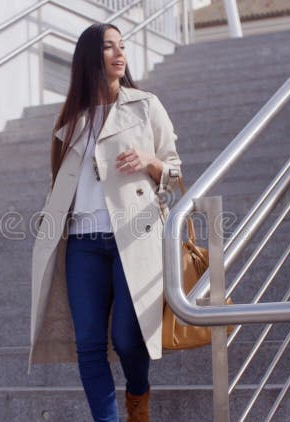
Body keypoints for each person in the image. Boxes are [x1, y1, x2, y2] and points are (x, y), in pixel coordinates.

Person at [29, 22, 182, 422]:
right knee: (90, 345)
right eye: (108, 48)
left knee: (129, 338)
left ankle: (138, 396)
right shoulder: (70, 123)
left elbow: (177, 173)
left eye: (122, 47)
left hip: (132, 235)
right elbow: (59, 185)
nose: (119, 54)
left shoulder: (145, 105)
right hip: (82, 243)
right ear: (89, 59)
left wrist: (149, 163)